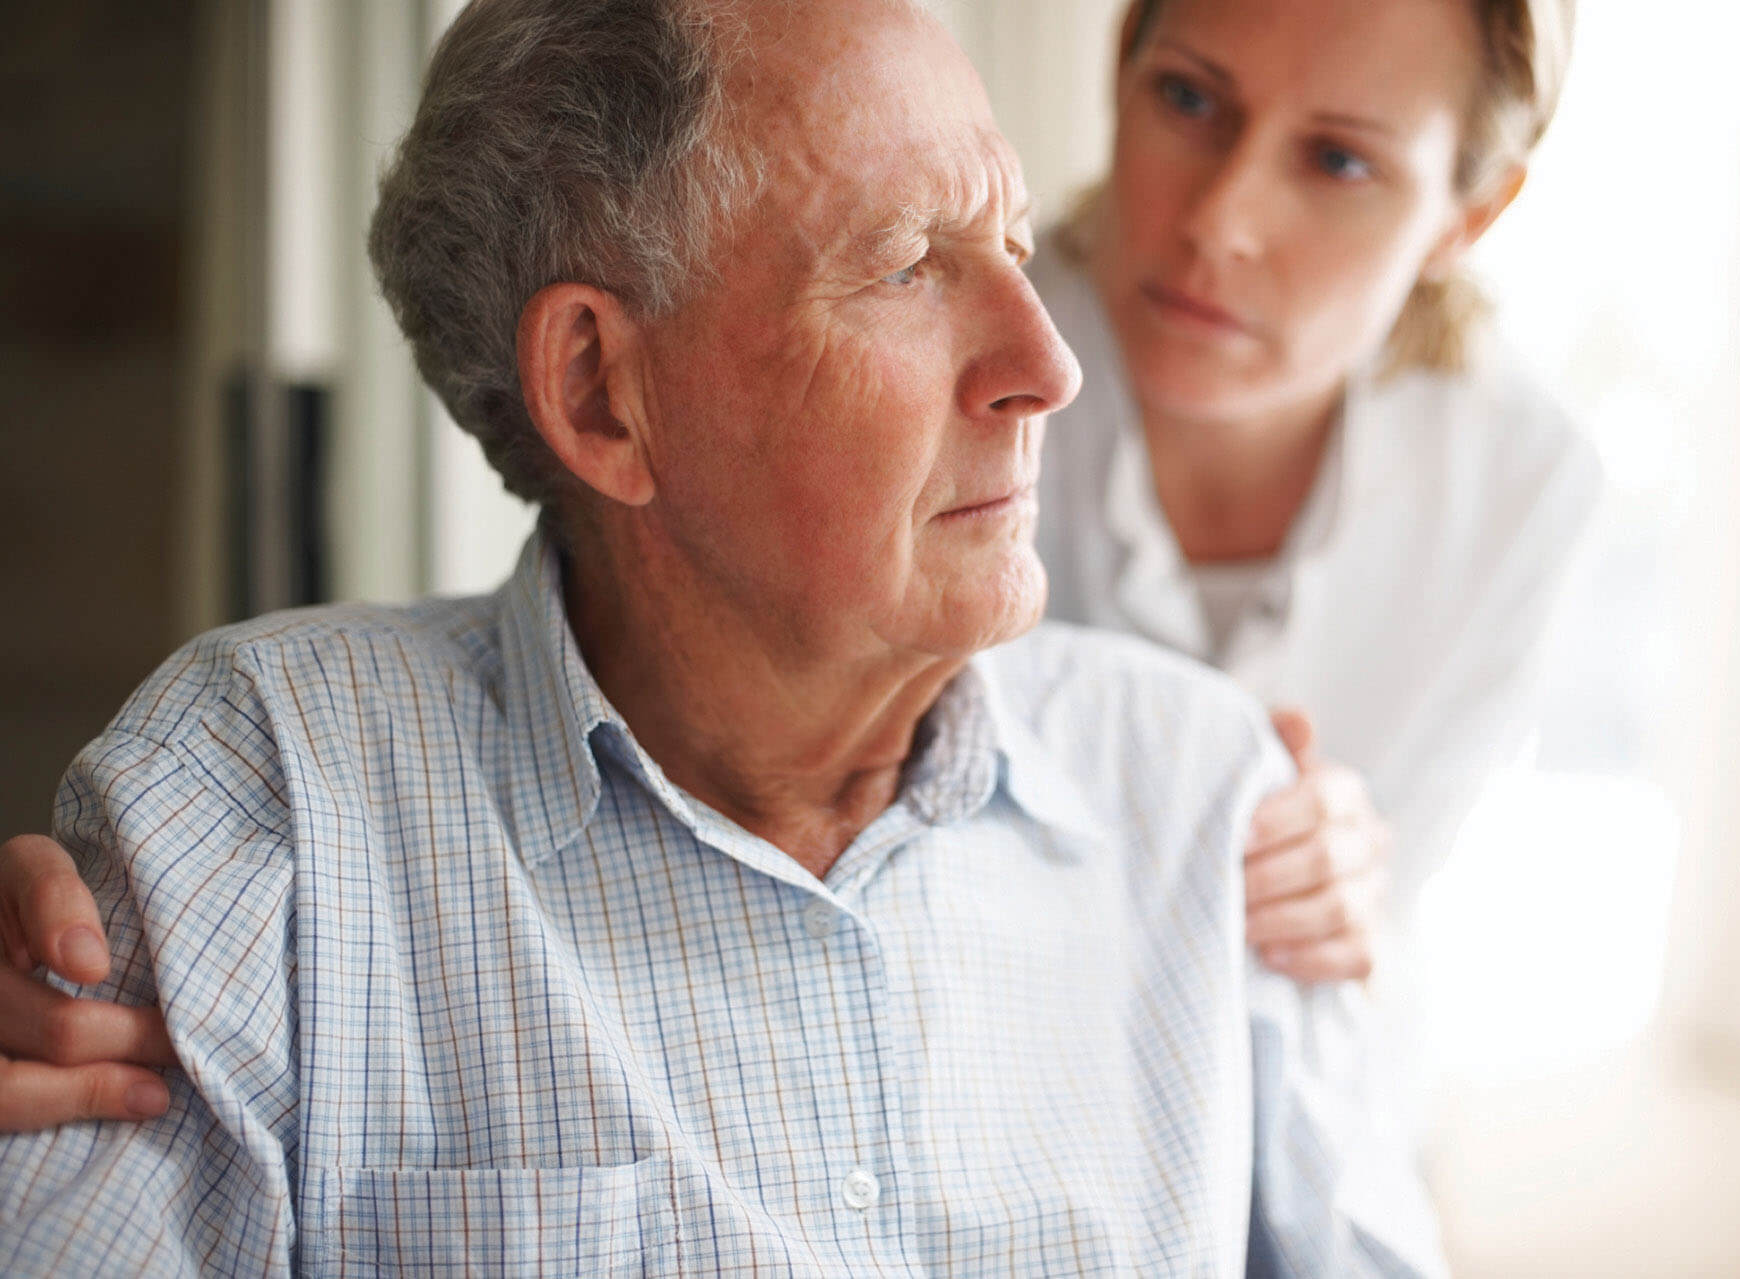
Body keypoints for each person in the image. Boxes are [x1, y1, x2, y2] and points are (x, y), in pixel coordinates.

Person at [0, 0, 1442, 1274]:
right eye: (906, 268)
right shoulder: (261, 806)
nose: (1047, 366)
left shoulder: (1212, 803)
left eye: (1010, 245)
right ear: (601, 394)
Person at [1031, 0, 1599, 990]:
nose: (1222, 220)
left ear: (1469, 215)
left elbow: (1385, 941)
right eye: (1188, 98)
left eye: (1339, 161)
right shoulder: (929, 373)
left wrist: (1349, 894)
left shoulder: (1523, 485)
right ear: (1124, 58)